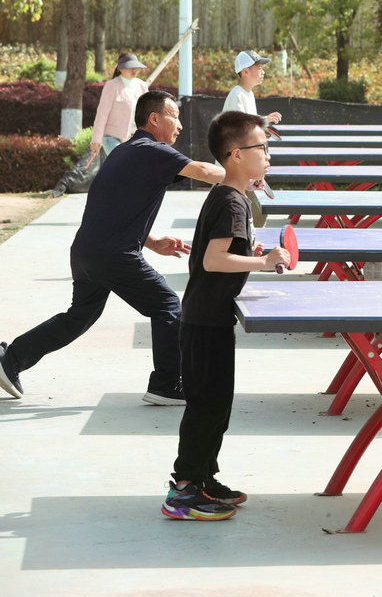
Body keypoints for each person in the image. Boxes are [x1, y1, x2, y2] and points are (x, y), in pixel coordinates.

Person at [0, 91, 225, 404]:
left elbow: (111, 206)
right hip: (113, 255)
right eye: (175, 117)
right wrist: (243, 173)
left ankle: (10, 359)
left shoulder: (124, 150)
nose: (181, 125)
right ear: (154, 119)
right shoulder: (153, 149)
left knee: (78, 317)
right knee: (167, 305)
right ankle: (166, 384)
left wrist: (151, 241)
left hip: (86, 251)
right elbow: (205, 172)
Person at [161, 111, 290, 521]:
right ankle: (183, 491)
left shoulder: (228, 196)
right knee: (206, 407)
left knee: (217, 407)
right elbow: (214, 260)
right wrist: (263, 262)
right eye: (261, 147)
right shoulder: (233, 202)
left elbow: (220, 254)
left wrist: (250, 255)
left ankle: (203, 478)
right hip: (205, 322)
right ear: (236, 154)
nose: (267, 155)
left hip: (209, 318)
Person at [90, 52, 150, 156]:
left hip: (134, 137)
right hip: (111, 137)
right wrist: (96, 140)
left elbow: (147, 113)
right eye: (130, 67)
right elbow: (102, 114)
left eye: (135, 67)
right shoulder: (111, 86)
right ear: (120, 69)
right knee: (121, 161)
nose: (134, 70)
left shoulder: (142, 86)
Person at [223, 50, 282, 125]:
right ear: (246, 72)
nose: (263, 72)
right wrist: (263, 121)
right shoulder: (237, 95)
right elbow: (240, 128)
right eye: (259, 68)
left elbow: (249, 122)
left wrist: (265, 120)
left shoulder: (249, 94)